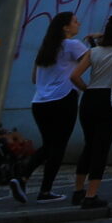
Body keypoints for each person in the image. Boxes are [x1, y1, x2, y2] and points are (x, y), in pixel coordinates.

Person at [72, 15, 112, 209]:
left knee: (89, 144)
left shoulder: (94, 52)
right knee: (102, 146)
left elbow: (74, 75)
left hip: (90, 97)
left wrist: (86, 88)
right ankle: (91, 195)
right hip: (110, 97)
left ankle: (78, 190)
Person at [25, 11, 84, 202]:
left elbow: (34, 77)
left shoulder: (46, 49)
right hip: (63, 99)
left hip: (40, 102)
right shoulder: (72, 45)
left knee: (49, 145)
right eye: (75, 21)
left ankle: (21, 176)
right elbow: (91, 61)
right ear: (65, 27)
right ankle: (45, 190)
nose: (78, 24)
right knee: (58, 147)